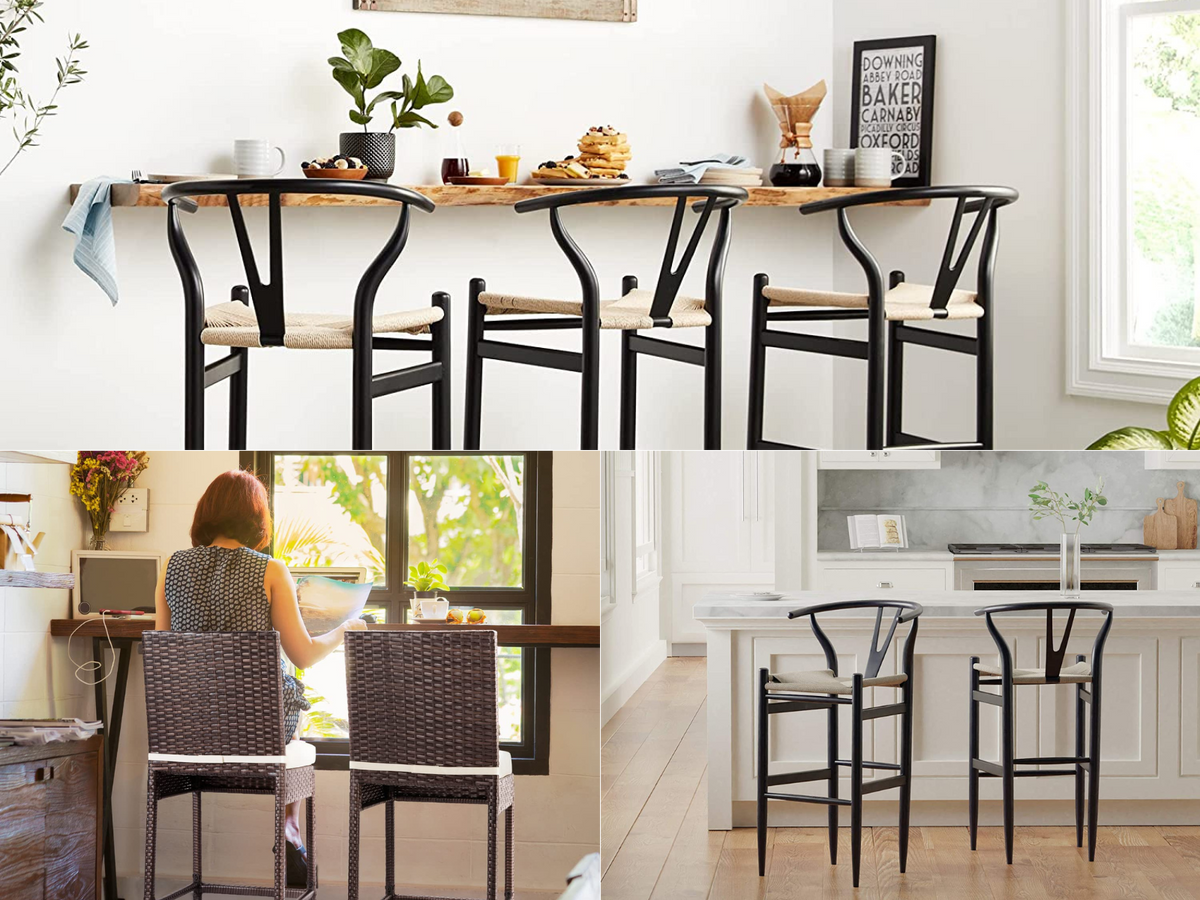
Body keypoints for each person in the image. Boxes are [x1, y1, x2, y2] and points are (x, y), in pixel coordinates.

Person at [153, 469, 366, 886]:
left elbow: (165, 651)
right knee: (293, 715)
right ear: (257, 518)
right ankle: (290, 827)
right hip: (256, 730)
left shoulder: (171, 567)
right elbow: (302, 655)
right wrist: (343, 630)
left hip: (190, 730)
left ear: (206, 514)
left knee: (278, 702)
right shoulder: (270, 570)